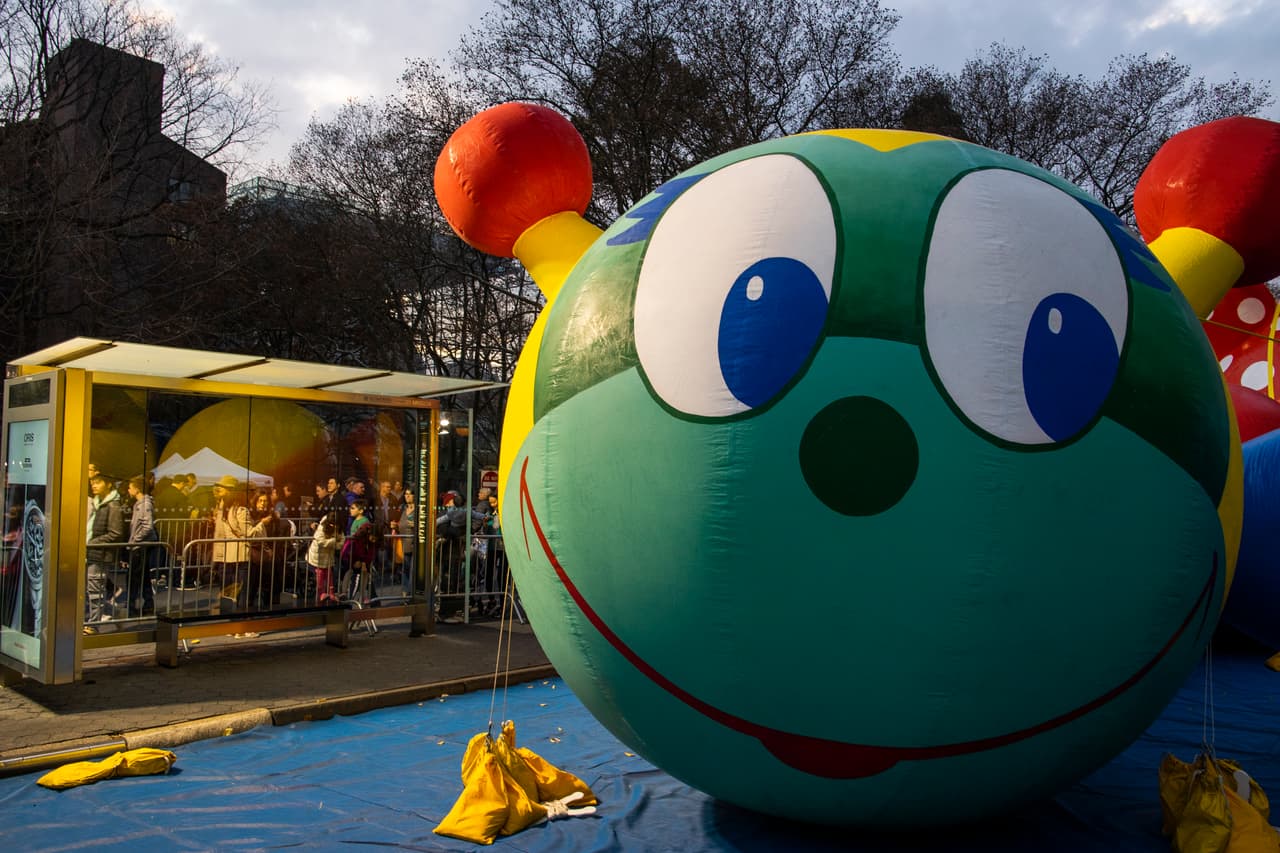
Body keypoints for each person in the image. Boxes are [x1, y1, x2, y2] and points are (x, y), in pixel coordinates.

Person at [85, 473, 125, 626]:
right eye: (92, 483)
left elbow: (115, 532)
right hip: (93, 551)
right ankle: (115, 613)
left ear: (108, 485)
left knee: (95, 590)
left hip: (99, 553)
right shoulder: (98, 503)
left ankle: (94, 625)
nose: (93, 485)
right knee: (92, 589)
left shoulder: (112, 506)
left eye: (97, 482)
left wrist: (92, 542)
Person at [209, 475, 250, 617]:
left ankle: (229, 613)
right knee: (230, 583)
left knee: (234, 583)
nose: (218, 490)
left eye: (222, 488)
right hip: (226, 550)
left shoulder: (232, 507)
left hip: (229, 551)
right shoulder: (225, 505)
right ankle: (228, 613)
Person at [247, 492, 294, 612]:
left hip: (270, 556)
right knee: (252, 587)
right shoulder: (251, 515)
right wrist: (261, 523)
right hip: (255, 556)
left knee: (270, 586)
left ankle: (272, 610)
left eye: (265, 501)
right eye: (260, 501)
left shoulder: (273, 517)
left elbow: (277, 533)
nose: (263, 504)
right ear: (255, 502)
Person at [124, 476, 158, 617]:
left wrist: (135, 540)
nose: (128, 490)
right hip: (141, 545)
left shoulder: (144, 505)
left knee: (134, 577)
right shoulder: (140, 504)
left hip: (140, 546)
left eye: (130, 487)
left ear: (137, 488)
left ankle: (133, 606)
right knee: (142, 577)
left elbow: (147, 527)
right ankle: (147, 604)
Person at [339, 499, 379, 604]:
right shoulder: (354, 521)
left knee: (363, 575)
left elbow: (365, 544)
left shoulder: (364, 522)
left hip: (360, 554)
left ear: (361, 510)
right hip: (353, 553)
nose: (350, 510)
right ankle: (349, 594)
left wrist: (363, 560)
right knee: (354, 573)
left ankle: (363, 597)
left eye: (353, 508)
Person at [307, 514, 344, 604]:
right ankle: (320, 594)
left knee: (330, 574)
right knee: (320, 574)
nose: (334, 526)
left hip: (328, 556)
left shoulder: (338, 528)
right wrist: (333, 541)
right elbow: (321, 542)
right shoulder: (321, 528)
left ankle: (331, 593)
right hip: (318, 557)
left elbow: (342, 539)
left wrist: (336, 545)